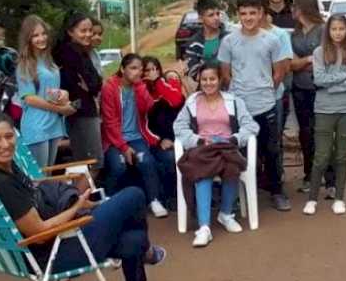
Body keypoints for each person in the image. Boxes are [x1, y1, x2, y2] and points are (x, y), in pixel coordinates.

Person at [0, 110, 174, 281]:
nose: (5, 144)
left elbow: (35, 200)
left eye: (9, 137)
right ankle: (148, 252)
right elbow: (40, 233)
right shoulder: (1, 183)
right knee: (133, 195)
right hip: (53, 254)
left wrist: (72, 202)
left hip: (43, 248)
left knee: (134, 239)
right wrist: (76, 208)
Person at [219, 0, 291, 211]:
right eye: (243, 13)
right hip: (240, 108)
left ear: (261, 13)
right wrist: (239, 95)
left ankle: (276, 191)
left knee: (271, 150)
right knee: (238, 152)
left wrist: (267, 90)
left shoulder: (271, 40)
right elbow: (225, 73)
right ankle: (239, 196)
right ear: (238, 15)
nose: (248, 17)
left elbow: (280, 72)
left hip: (266, 105)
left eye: (253, 12)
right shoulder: (229, 41)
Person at [173, 64, 259, 247]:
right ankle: (204, 227)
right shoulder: (192, 102)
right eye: (204, 79)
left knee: (232, 165)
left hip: (227, 146)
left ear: (220, 80)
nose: (208, 83)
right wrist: (197, 141)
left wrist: (235, 139)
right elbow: (178, 127)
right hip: (203, 149)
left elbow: (251, 126)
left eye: (212, 79)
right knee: (202, 170)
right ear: (199, 81)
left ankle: (226, 214)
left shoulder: (234, 101)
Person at [101, 54, 176, 218]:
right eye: (133, 68)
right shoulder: (110, 87)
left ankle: (154, 200)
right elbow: (110, 122)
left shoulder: (139, 87)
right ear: (122, 69)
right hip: (115, 139)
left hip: (136, 136)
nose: (138, 72)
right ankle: (108, 200)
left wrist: (140, 85)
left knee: (147, 161)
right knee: (118, 165)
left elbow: (148, 106)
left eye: (140, 69)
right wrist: (123, 147)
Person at [304, 14, 346, 216]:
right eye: (334, 29)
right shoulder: (319, 53)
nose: (338, 33)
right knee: (321, 155)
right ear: (328, 31)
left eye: (341, 29)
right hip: (324, 109)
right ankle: (312, 198)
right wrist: (340, 77)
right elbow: (319, 79)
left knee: (341, 156)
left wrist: (331, 86)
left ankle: (339, 198)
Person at [291, 0, 335, 197]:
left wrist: (305, 61)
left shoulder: (323, 30)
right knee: (305, 134)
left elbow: (326, 57)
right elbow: (291, 63)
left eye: (294, 6)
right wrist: (308, 60)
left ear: (302, 8)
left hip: (322, 88)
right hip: (300, 89)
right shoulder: (295, 33)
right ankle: (309, 175)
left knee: (324, 133)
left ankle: (331, 179)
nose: (292, 10)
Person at [16, 15, 74, 168]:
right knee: (40, 178)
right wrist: (61, 109)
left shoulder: (48, 60)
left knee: (48, 176)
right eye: (35, 35)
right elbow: (29, 98)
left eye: (43, 33)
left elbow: (48, 91)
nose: (41, 38)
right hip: (37, 127)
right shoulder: (25, 64)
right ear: (28, 38)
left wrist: (64, 95)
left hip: (53, 124)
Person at [53, 11, 103, 166]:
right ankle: (78, 191)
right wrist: (90, 89)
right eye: (83, 31)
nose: (88, 35)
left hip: (83, 110)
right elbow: (93, 85)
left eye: (90, 31)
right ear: (70, 31)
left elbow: (95, 84)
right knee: (91, 163)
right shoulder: (71, 52)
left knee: (87, 163)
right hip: (81, 113)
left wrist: (92, 87)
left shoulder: (81, 51)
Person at [141, 56, 185, 205]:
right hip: (154, 141)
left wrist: (159, 81)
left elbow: (176, 100)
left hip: (177, 137)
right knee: (169, 158)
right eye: (147, 70)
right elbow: (143, 123)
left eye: (155, 69)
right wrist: (159, 141)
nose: (152, 73)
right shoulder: (140, 90)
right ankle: (171, 196)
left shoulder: (166, 84)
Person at [259, 0, 294, 133]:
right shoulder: (238, 36)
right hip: (248, 98)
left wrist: (267, 91)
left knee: (273, 141)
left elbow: (284, 69)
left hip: (274, 95)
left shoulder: (280, 35)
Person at [188, 0, 230, 70]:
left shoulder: (229, 38)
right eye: (211, 15)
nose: (216, 18)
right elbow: (192, 70)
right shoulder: (194, 44)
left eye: (218, 14)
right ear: (200, 18)